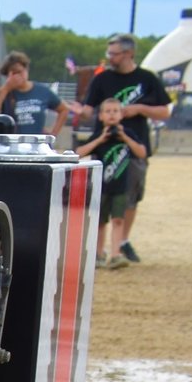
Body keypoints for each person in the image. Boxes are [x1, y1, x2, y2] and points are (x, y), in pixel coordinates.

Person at [79, 35, 171, 265]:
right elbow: (88, 110)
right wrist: (80, 112)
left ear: (129, 54)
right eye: (109, 53)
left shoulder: (147, 79)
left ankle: (121, 244)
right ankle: (99, 251)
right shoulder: (102, 79)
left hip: (133, 146)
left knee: (130, 198)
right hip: (104, 147)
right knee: (103, 200)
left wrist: (139, 108)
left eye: (114, 54)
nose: (110, 58)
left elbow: (164, 112)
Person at [75, 97, 148, 267]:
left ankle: (116, 254)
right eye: (108, 112)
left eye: (116, 111)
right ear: (100, 116)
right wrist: (100, 140)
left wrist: (125, 137)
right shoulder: (99, 135)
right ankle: (98, 254)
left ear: (122, 115)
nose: (112, 115)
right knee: (100, 221)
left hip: (121, 187)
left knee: (118, 220)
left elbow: (142, 152)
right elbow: (79, 152)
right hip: (102, 188)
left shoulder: (127, 134)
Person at [0, 52, 62, 134]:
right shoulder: (4, 92)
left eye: (19, 72)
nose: (17, 76)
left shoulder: (42, 90)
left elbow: (63, 109)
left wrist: (54, 134)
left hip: (35, 142)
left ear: (26, 70)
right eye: (13, 73)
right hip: (12, 143)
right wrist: (7, 88)